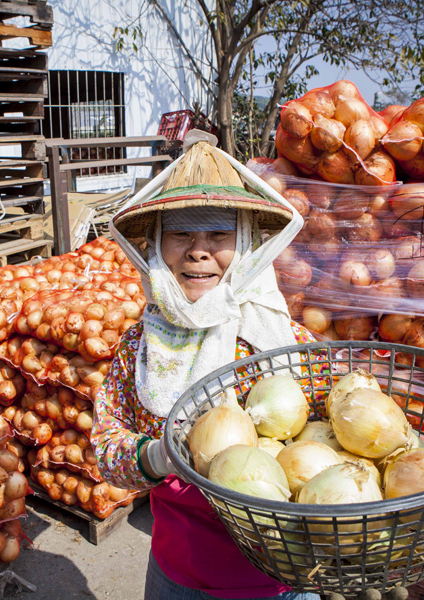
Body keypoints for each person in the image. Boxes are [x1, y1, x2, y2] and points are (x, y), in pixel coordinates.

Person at [91, 132, 322, 600]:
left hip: (279, 578)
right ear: (156, 247)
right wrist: (156, 456)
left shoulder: (286, 343)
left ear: (247, 245)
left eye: (219, 234)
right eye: (180, 234)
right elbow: (106, 447)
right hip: (179, 573)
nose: (199, 251)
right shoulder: (141, 345)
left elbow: (328, 445)